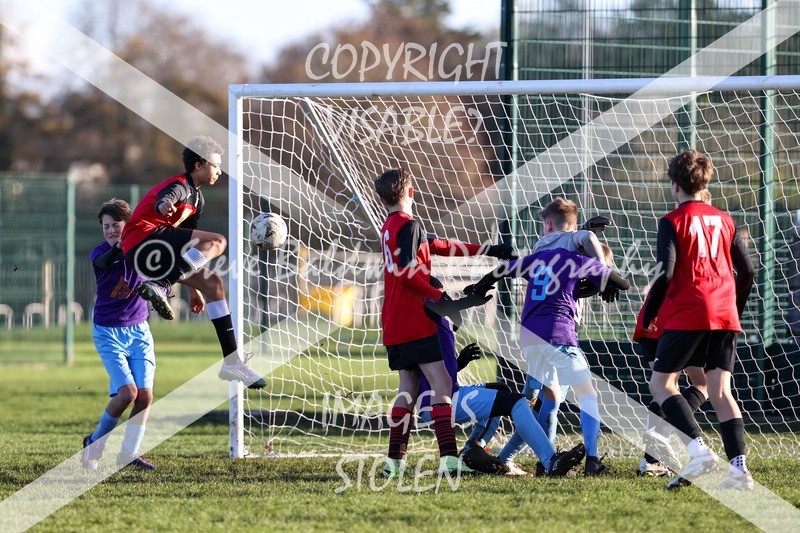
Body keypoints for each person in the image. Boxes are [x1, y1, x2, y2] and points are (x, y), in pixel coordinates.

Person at [373, 168, 516, 477]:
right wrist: (442, 300)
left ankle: (394, 464)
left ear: (382, 199)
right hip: (414, 318)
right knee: (441, 385)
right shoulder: (410, 225)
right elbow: (406, 274)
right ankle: (449, 460)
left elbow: (440, 246)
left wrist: (488, 250)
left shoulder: (390, 226)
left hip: (393, 321)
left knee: (407, 388)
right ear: (411, 192)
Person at [466, 231, 631, 475]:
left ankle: (541, 462)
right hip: (559, 336)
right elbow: (624, 283)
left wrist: (480, 287)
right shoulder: (578, 261)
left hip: (530, 340)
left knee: (545, 402)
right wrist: (605, 279)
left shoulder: (539, 259)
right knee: (587, 395)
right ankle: (592, 460)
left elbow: (500, 271)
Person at [644, 149, 755, 490]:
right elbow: (748, 270)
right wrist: (733, 307)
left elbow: (665, 274)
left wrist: (651, 313)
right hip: (725, 312)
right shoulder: (726, 220)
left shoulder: (672, 220)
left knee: (661, 384)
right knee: (720, 391)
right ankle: (739, 471)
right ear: (705, 182)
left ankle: (698, 451)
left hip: (690, 309)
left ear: (675, 185)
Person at [120, 136, 265, 389]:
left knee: (214, 285)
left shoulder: (198, 201)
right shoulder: (180, 185)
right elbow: (166, 197)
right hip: (143, 240)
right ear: (198, 165)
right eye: (215, 165)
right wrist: (165, 205)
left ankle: (231, 361)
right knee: (218, 241)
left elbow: (187, 247)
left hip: (157, 252)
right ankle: (161, 284)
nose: (219, 171)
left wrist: (194, 289)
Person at [416, 277, 586, 477]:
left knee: (500, 391)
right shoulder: (426, 317)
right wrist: (468, 301)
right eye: (438, 294)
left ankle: (473, 448)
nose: (443, 297)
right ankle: (550, 461)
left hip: (443, 396)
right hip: (441, 401)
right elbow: (433, 310)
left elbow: (433, 369)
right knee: (517, 402)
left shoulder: (434, 322)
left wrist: (459, 363)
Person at [633, 188, 712, 477]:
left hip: (652, 318)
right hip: (679, 319)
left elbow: (664, 274)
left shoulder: (674, 228)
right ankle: (661, 441)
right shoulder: (706, 245)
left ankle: (651, 459)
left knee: (663, 388)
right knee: (702, 384)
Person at [82, 199, 157, 471]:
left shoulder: (143, 250)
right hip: (108, 332)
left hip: (139, 330)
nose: (111, 230)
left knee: (145, 397)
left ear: (129, 224)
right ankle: (94, 443)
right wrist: (119, 246)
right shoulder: (100, 253)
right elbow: (106, 260)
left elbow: (164, 270)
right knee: (127, 394)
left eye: (116, 224)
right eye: (106, 226)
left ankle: (128, 454)